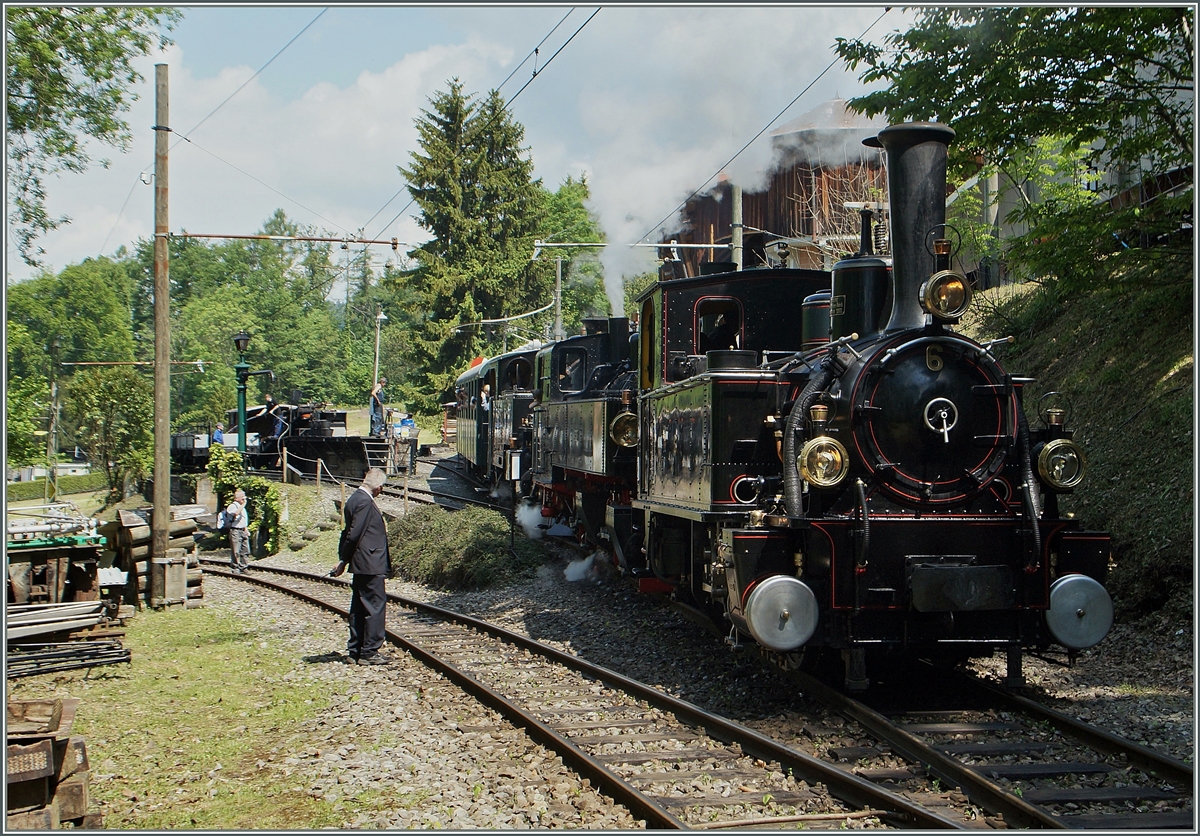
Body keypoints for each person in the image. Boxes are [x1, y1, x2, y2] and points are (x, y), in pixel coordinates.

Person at [330, 468, 391, 665]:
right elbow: (354, 534)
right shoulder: (365, 502)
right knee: (374, 605)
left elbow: (347, 532)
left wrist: (344, 559)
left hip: (361, 562)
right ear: (378, 487)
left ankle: (355, 649)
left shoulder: (354, 499)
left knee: (358, 606)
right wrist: (342, 560)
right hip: (370, 562)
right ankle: (369, 651)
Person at [225, 488, 250, 573]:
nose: (244, 499)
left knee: (245, 550)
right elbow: (236, 513)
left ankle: (244, 567)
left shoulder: (242, 507)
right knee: (236, 551)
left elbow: (244, 520)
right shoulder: (233, 506)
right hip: (235, 531)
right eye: (242, 497)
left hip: (243, 530)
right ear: (237, 498)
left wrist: (246, 530)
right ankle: (235, 567)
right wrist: (243, 505)